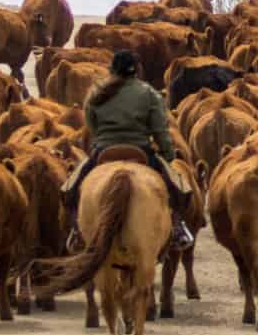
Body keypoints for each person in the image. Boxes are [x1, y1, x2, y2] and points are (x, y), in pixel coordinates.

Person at [60, 51, 188, 222]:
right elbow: (160, 131)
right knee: (179, 191)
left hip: (103, 150)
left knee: (70, 190)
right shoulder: (149, 93)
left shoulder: (96, 92)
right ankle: (178, 226)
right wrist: (168, 155)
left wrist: (105, 138)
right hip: (141, 150)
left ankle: (74, 226)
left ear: (112, 69)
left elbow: (92, 127)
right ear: (137, 70)